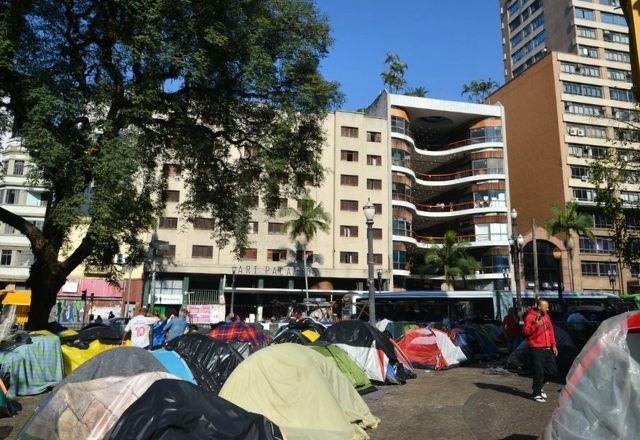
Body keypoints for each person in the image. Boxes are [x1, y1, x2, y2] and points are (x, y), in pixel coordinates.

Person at [523, 300, 558, 403]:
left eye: (547, 307)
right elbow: (526, 332)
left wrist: (554, 345)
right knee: (539, 371)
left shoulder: (547, 317)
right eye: (545, 307)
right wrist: (535, 324)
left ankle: (538, 386)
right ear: (539, 307)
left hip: (548, 347)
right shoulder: (530, 317)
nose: (547, 309)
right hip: (536, 347)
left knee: (552, 371)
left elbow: (550, 331)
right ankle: (536, 393)